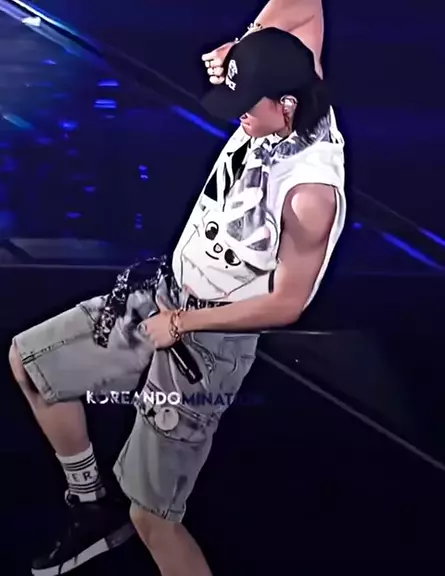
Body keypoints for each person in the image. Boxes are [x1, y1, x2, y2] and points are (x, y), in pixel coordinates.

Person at [9, 18, 345, 576]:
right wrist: (245, 44)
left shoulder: (309, 195)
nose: (237, 115)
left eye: (246, 104)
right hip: (163, 296)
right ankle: (91, 506)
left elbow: (289, 303)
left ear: (286, 106)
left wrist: (184, 325)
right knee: (31, 363)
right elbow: (304, 6)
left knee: (153, 517)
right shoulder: (293, 78)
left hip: (208, 345)